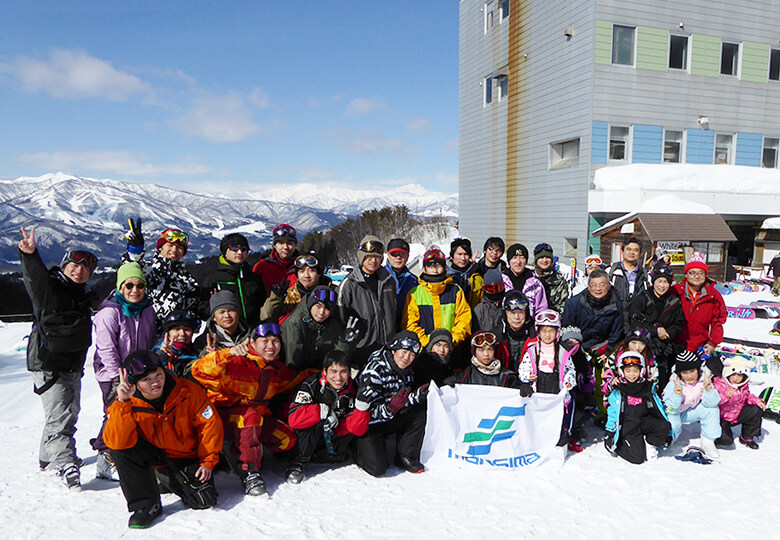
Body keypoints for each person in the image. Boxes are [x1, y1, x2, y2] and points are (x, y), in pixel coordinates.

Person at [103, 351, 223, 529]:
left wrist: (208, 461)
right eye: (147, 380)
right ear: (134, 382)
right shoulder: (126, 402)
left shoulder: (187, 390)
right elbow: (117, 443)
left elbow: (210, 425)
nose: (155, 382)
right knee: (121, 451)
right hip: (153, 452)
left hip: (184, 455)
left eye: (158, 375)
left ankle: (166, 478)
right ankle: (146, 505)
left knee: (203, 499)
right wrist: (122, 402)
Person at [18, 227, 98, 488]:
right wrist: (30, 255)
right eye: (74, 265)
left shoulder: (82, 297)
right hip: (48, 363)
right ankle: (64, 463)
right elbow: (34, 279)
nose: (80, 270)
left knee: (67, 412)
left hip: (71, 365)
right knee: (60, 417)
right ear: (64, 266)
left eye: (85, 268)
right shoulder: (49, 290)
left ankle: (46, 458)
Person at [190, 323, 307, 496]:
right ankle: (249, 472)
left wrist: (328, 373)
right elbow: (198, 371)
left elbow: (295, 379)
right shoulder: (235, 361)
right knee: (250, 417)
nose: (271, 346)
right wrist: (228, 353)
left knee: (286, 438)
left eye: (275, 341)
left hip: (255, 419)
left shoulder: (276, 370)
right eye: (265, 341)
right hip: (223, 417)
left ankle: (244, 451)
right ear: (252, 342)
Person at [91, 262, 156, 481]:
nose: (135, 290)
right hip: (112, 373)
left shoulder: (147, 309)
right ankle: (105, 457)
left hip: (138, 370)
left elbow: (151, 339)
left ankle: (129, 452)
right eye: (129, 285)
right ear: (120, 287)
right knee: (114, 411)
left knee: (135, 412)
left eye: (140, 285)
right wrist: (118, 378)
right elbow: (106, 348)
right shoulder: (110, 312)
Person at [286, 351, 370, 483]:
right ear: (325, 371)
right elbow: (294, 419)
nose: (338, 377)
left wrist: (361, 410)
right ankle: (298, 462)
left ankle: (324, 454)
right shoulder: (310, 385)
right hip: (303, 437)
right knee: (311, 421)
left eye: (343, 372)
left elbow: (356, 429)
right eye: (333, 371)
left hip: (331, 434)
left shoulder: (353, 388)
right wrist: (321, 410)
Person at [355, 331, 428, 477]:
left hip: (388, 414)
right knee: (377, 469)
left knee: (418, 412)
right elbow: (365, 413)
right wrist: (391, 408)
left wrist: (416, 396)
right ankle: (355, 448)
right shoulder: (374, 371)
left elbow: (401, 399)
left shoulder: (408, 370)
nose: (406, 358)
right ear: (393, 350)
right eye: (403, 352)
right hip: (368, 423)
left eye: (412, 354)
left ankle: (405, 456)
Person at [123, 219, 199, 333]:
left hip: (171, 337)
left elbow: (192, 309)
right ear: (160, 248)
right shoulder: (149, 270)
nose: (174, 250)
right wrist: (135, 251)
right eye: (170, 245)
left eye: (179, 247)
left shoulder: (188, 280)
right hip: (142, 332)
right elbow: (131, 269)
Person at [517, 310, 578, 449]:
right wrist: (528, 376)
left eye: (551, 331)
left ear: (557, 332)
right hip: (539, 387)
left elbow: (570, 369)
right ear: (538, 332)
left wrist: (569, 381)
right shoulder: (532, 350)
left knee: (557, 416)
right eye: (544, 331)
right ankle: (537, 439)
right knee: (539, 416)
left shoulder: (563, 350)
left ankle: (559, 439)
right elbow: (523, 368)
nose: (547, 335)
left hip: (556, 387)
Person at [337, 236, 396, 368]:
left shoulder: (388, 281)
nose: (373, 261)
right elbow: (340, 318)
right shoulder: (349, 284)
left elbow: (394, 312)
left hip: (386, 351)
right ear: (361, 257)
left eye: (377, 257)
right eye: (368, 257)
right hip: (360, 352)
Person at [604, 351, 672, 464]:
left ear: (641, 371)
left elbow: (658, 407)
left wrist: (667, 432)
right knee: (637, 458)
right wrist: (610, 432)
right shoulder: (618, 390)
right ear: (622, 371)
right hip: (628, 427)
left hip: (644, 421)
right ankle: (623, 443)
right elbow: (613, 413)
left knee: (664, 426)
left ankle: (649, 444)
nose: (632, 374)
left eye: (635, 370)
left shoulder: (647, 387)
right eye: (628, 371)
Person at [628, 265, 685, 388]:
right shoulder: (642, 298)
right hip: (643, 346)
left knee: (663, 380)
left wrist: (668, 333)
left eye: (665, 282)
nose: (662, 285)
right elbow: (634, 320)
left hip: (665, 348)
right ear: (653, 282)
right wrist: (654, 331)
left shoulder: (674, 301)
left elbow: (679, 323)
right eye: (659, 281)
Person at [402, 247, 472, 347]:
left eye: (438, 265)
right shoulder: (415, 293)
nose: (435, 270)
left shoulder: (455, 291)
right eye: (430, 266)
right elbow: (410, 324)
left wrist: (452, 340)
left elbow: (464, 319)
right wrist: (428, 343)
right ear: (424, 269)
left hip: (451, 348)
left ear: (445, 268)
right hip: (425, 349)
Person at [198, 232, 267, 327]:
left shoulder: (254, 278)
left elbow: (263, 304)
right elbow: (202, 310)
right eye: (234, 249)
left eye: (243, 249)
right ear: (225, 252)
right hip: (226, 332)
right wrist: (215, 307)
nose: (239, 252)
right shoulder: (214, 280)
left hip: (253, 329)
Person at [662, 350, 721, 459]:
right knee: (674, 425)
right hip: (672, 413)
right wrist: (676, 395)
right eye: (685, 373)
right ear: (679, 374)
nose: (689, 376)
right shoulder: (673, 384)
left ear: (698, 370)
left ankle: (708, 440)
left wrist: (709, 390)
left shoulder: (703, 381)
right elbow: (670, 409)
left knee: (712, 409)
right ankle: (668, 440)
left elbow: (712, 403)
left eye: (692, 371)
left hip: (688, 412)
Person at [561, 269, 624, 367]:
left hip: (603, 349)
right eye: (594, 285)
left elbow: (616, 333)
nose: (598, 289)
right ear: (589, 287)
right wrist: (573, 342)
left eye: (602, 285)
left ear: (609, 286)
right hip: (578, 348)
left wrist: (607, 353)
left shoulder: (617, 305)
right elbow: (567, 326)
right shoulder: (573, 303)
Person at [672, 253, 727, 364]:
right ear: (686, 274)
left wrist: (713, 343)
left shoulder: (713, 295)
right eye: (692, 273)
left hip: (700, 347)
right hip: (676, 345)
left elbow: (718, 321)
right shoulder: (675, 292)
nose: (696, 276)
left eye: (701, 273)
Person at [281, 285, 350, 371]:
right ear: (311, 304)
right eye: (318, 306)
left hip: (319, 371)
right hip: (296, 372)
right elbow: (292, 362)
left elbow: (338, 356)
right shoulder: (294, 323)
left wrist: (345, 342)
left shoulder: (332, 324)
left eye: (327, 309)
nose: (321, 312)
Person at [260, 250, 334, 325]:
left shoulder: (333, 293)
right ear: (297, 274)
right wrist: (276, 298)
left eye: (311, 271)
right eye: (302, 271)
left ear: (319, 273)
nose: (306, 275)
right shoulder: (290, 296)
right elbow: (265, 316)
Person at [713, 356, 767, 450]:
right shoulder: (720, 384)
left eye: (740, 375)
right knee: (726, 441)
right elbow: (712, 402)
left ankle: (747, 437)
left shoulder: (742, 386)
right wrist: (726, 396)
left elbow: (747, 396)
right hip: (721, 418)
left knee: (756, 409)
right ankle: (712, 438)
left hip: (736, 415)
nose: (736, 378)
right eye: (733, 375)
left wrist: (758, 401)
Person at [445, 331, 522, 388]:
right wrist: (447, 384)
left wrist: (522, 389)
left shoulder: (507, 376)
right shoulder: (465, 376)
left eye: (490, 349)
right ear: (474, 352)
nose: (486, 354)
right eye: (481, 350)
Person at [193, 290, 250, 356]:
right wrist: (209, 357)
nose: (227, 316)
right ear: (214, 317)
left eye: (231, 310)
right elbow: (191, 365)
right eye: (222, 312)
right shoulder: (202, 342)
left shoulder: (252, 336)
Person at [502, 243, 548, 316]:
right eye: (514, 257)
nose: (518, 261)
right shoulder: (501, 281)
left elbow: (541, 309)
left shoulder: (535, 283)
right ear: (509, 261)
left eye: (522, 257)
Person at [253, 223, 299, 294]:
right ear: (275, 246)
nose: (285, 247)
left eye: (289, 243)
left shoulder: (302, 266)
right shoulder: (262, 267)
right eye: (281, 243)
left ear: (295, 245)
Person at [495, 291, 536, 371]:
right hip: (503, 380)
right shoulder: (497, 337)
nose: (517, 317)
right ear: (505, 313)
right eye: (512, 313)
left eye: (520, 312)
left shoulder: (535, 337)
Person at [384, 238, 419, 328]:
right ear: (388, 255)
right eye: (394, 254)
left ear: (407, 257)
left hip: (406, 327)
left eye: (402, 254)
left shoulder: (413, 280)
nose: (398, 257)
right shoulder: (380, 277)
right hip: (384, 329)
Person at [154, 310, 200, 378]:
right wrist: (162, 356)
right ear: (168, 334)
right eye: (177, 329)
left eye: (187, 329)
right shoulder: (156, 354)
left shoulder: (198, 354)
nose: (182, 334)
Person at [607, 237, 649, 304]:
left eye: (636, 250)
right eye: (629, 249)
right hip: (615, 312)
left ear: (640, 253)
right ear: (622, 251)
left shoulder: (645, 274)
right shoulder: (611, 271)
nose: (632, 253)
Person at [447, 237, 484, 308]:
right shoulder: (445, 275)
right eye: (459, 254)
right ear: (452, 256)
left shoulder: (476, 277)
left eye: (466, 254)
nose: (463, 258)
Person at [533, 243, 569, 313]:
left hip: (553, 320)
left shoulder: (559, 280)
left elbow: (564, 304)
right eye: (541, 257)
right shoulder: (530, 278)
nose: (544, 260)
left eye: (547, 257)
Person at [473, 269, 506, 336]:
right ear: (484, 289)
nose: (495, 292)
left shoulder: (506, 306)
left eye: (498, 288)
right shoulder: (479, 309)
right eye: (490, 289)